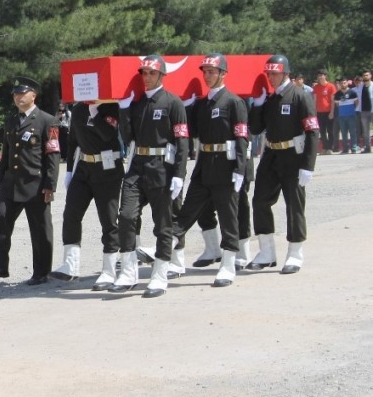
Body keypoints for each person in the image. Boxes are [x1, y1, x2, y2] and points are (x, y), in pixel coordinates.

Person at [110, 55, 189, 298]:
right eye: (143, 73)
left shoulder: (173, 103)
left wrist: (179, 174)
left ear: (162, 75)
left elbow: (182, 140)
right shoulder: (138, 104)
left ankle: (159, 274)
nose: (147, 77)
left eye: (151, 73)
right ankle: (129, 271)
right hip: (137, 164)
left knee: (163, 223)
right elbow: (128, 136)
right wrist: (123, 111)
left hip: (161, 167)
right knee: (125, 216)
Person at [170, 54, 248, 287]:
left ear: (223, 73)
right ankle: (165, 243)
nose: (207, 75)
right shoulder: (202, 105)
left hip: (226, 164)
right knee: (188, 210)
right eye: (205, 71)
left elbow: (242, 137)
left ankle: (228, 263)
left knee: (228, 215)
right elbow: (189, 131)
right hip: (205, 164)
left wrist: (240, 169)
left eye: (212, 71)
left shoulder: (234, 102)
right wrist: (184, 107)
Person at [248, 54, 318, 274]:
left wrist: (308, 165)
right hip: (271, 155)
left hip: (293, 157)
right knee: (259, 201)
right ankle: (267, 252)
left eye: (275, 73)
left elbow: (312, 132)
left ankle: (295, 252)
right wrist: (257, 105)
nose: (271, 77)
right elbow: (256, 129)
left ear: (286, 73)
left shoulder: (300, 96)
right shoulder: (269, 99)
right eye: (268, 73)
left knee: (294, 205)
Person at [0, 76, 60, 285]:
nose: (18, 97)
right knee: (0, 220)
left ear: (33, 95)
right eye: (15, 94)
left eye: (22, 93)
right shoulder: (11, 120)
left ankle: (41, 272)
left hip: (35, 184)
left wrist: (50, 185)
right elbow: (8, 151)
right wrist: (1, 178)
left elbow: (52, 154)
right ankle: (0, 267)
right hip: (11, 183)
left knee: (39, 229)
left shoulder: (46, 120)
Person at [50, 100, 123, 290]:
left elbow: (108, 135)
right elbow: (74, 140)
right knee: (71, 214)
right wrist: (68, 172)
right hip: (83, 168)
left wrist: (95, 113)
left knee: (108, 218)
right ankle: (70, 265)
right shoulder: (80, 109)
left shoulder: (111, 107)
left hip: (107, 168)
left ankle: (109, 269)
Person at [312, 69, 336, 154]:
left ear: (325, 76)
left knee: (330, 131)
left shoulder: (331, 86)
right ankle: (325, 148)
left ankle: (330, 148)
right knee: (322, 131)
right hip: (319, 112)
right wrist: (314, 112)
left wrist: (332, 112)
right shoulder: (316, 87)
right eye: (319, 75)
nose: (320, 77)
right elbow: (314, 100)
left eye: (322, 75)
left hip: (328, 111)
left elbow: (333, 100)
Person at [334, 77, 359, 153]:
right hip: (341, 116)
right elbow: (337, 104)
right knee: (344, 133)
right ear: (340, 84)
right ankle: (345, 148)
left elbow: (357, 103)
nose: (343, 84)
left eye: (344, 83)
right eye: (341, 83)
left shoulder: (352, 92)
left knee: (353, 132)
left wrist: (353, 110)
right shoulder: (337, 94)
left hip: (351, 115)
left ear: (347, 83)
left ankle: (354, 147)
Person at [357, 69, 372, 153]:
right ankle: (368, 147)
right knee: (366, 131)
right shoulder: (360, 87)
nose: (365, 77)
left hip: (372, 110)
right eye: (364, 75)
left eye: (367, 75)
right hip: (363, 111)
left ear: (370, 76)